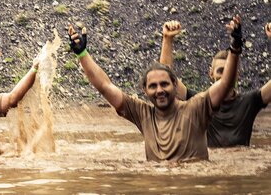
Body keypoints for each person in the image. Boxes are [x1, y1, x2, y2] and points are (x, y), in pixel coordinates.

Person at [68, 16, 242, 162]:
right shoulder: (142, 114)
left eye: (164, 84)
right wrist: (82, 54)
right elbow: (105, 87)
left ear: (175, 84)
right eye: (153, 86)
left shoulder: (196, 108)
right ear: (145, 90)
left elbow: (226, 84)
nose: (159, 90)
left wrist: (234, 49)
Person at [158, 19, 271, 147]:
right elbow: (165, 78)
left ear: (236, 73)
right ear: (211, 74)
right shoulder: (199, 102)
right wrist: (167, 39)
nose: (225, 77)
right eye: (220, 71)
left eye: (229, 71)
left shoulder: (249, 101)